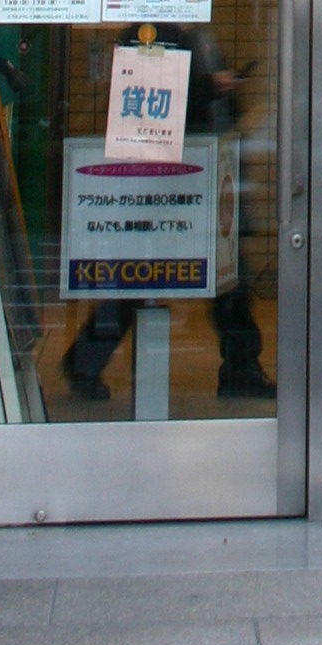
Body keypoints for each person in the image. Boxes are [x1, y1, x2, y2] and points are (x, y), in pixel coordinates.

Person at [63, 20, 272, 402]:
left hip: (208, 176)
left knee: (228, 281)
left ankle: (241, 367)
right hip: (165, 181)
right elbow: (146, 100)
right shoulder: (147, 34)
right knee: (139, 278)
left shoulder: (199, 37)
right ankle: (84, 361)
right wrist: (213, 87)